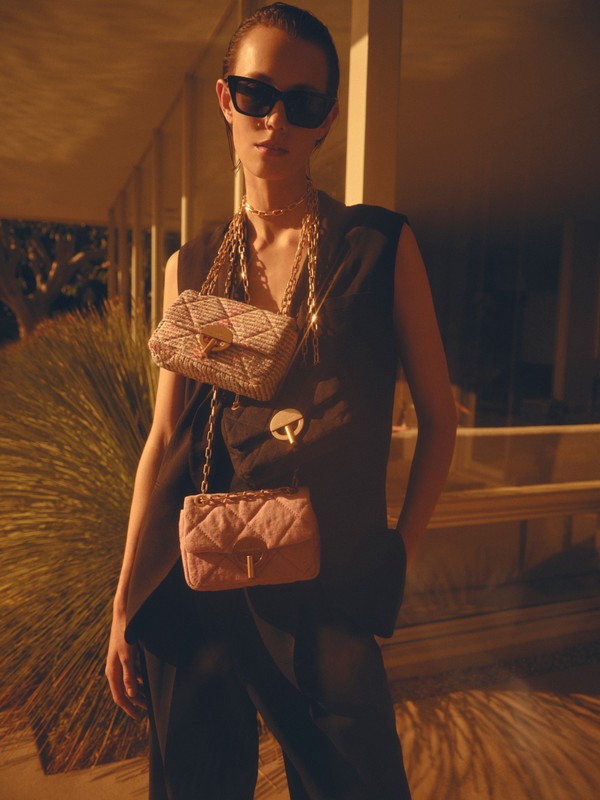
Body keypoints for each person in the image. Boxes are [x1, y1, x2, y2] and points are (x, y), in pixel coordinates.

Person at [105, 3, 457, 798]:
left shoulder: (375, 247)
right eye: (257, 94)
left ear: (328, 117)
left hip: (327, 598)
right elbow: (164, 439)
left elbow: (440, 421)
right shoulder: (194, 266)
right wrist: (125, 600)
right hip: (196, 585)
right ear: (226, 99)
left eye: (303, 102)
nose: (276, 120)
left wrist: (396, 553)